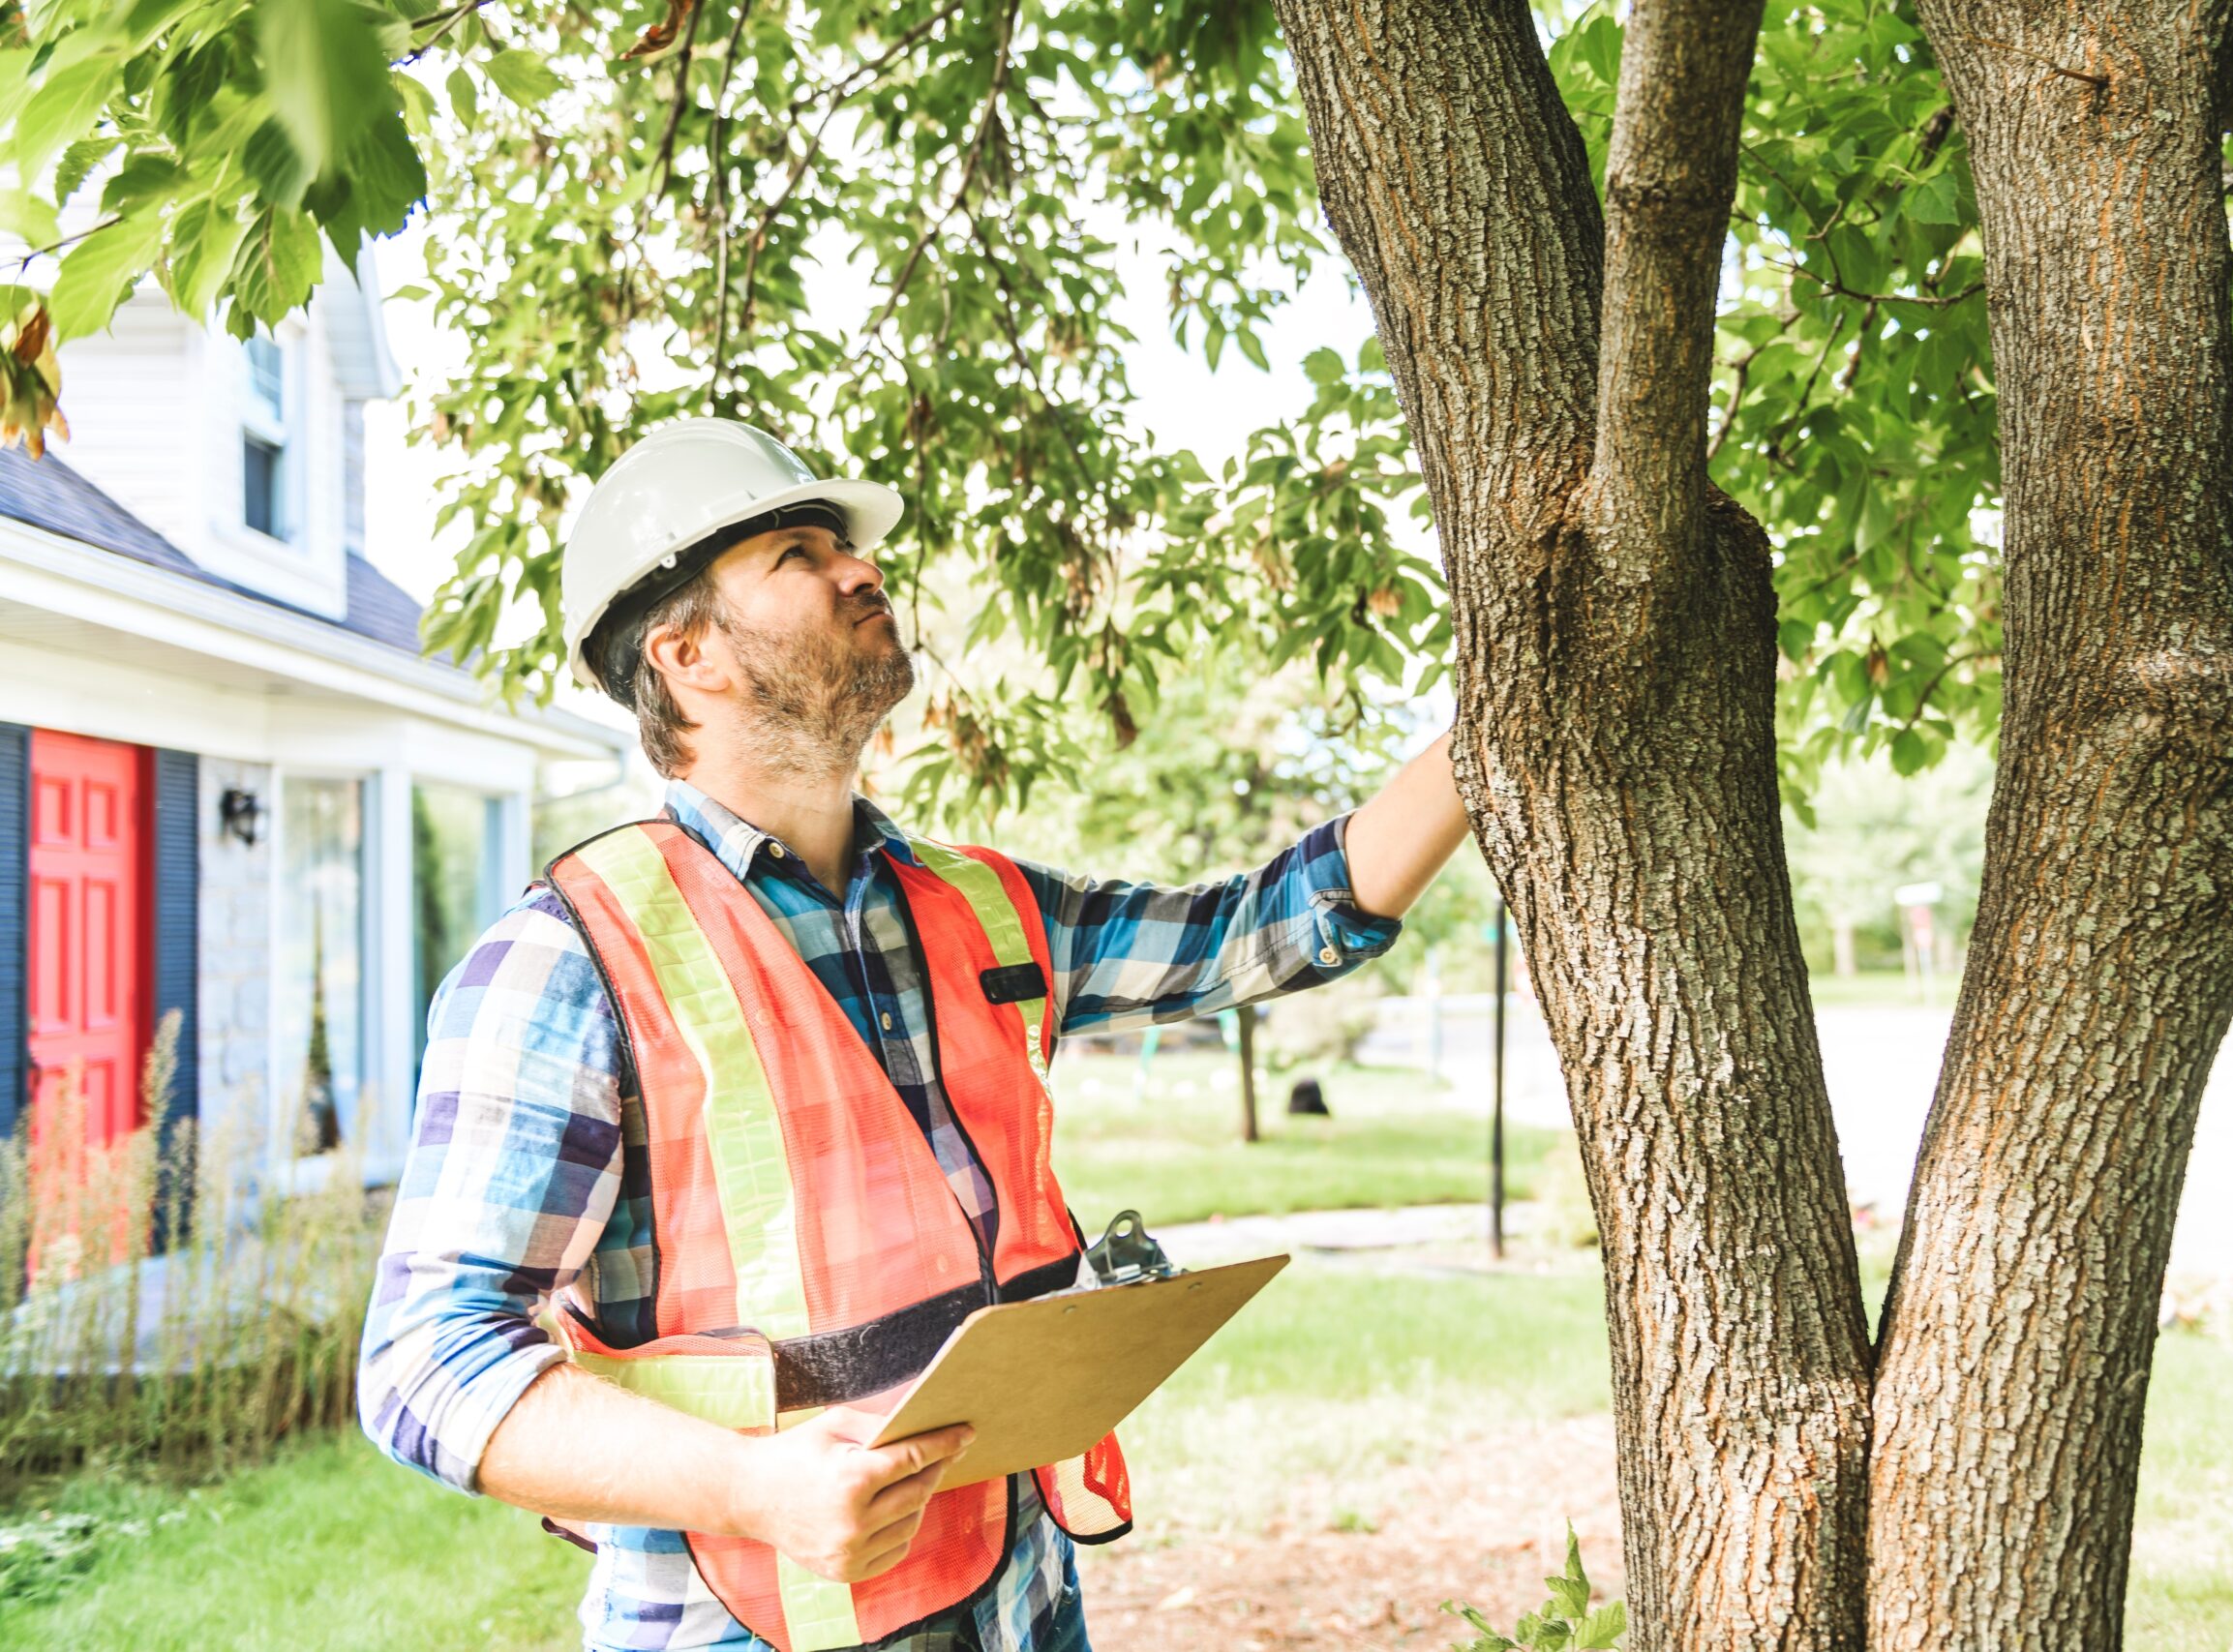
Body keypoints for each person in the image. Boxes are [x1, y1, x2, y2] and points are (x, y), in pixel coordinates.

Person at [356, 417, 1471, 1652]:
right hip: (752, 1617)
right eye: (797, 551)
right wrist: (750, 1488)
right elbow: (425, 1364)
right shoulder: (569, 959)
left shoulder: (979, 906)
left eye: (844, 546)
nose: (861, 570)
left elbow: (1260, 931)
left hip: (1019, 1590)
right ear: (686, 655)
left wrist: (1489, 731)